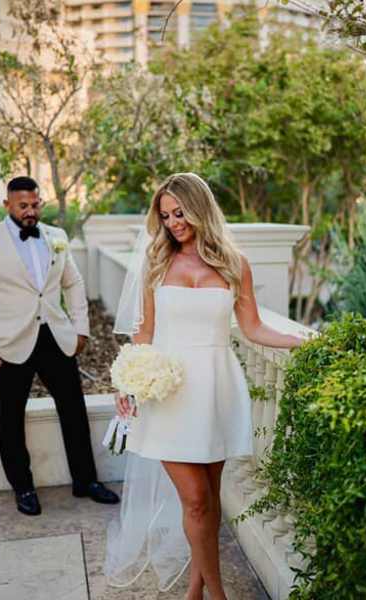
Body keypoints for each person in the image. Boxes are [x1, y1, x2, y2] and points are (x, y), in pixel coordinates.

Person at [106, 173, 304, 600]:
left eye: (180, 213)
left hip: (216, 389)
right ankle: (218, 594)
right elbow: (145, 333)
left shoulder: (234, 264)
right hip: (169, 394)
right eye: (166, 216)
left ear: (199, 208)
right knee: (195, 499)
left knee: (209, 501)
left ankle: (194, 590)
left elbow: (253, 328)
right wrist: (126, 383)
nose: (173, 223)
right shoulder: (157, 264)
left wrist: (300, 341)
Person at [0, 176, 119, 516]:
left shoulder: (56, 237)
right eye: (22, 206)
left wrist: (81, 328)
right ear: (7, 205)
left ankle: (86, 481)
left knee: (73, 410)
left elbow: (74, 283)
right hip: (10, 342)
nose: (30, 211)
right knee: (10, 417)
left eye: (34, 205)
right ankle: (23, 487)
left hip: (55, 337)